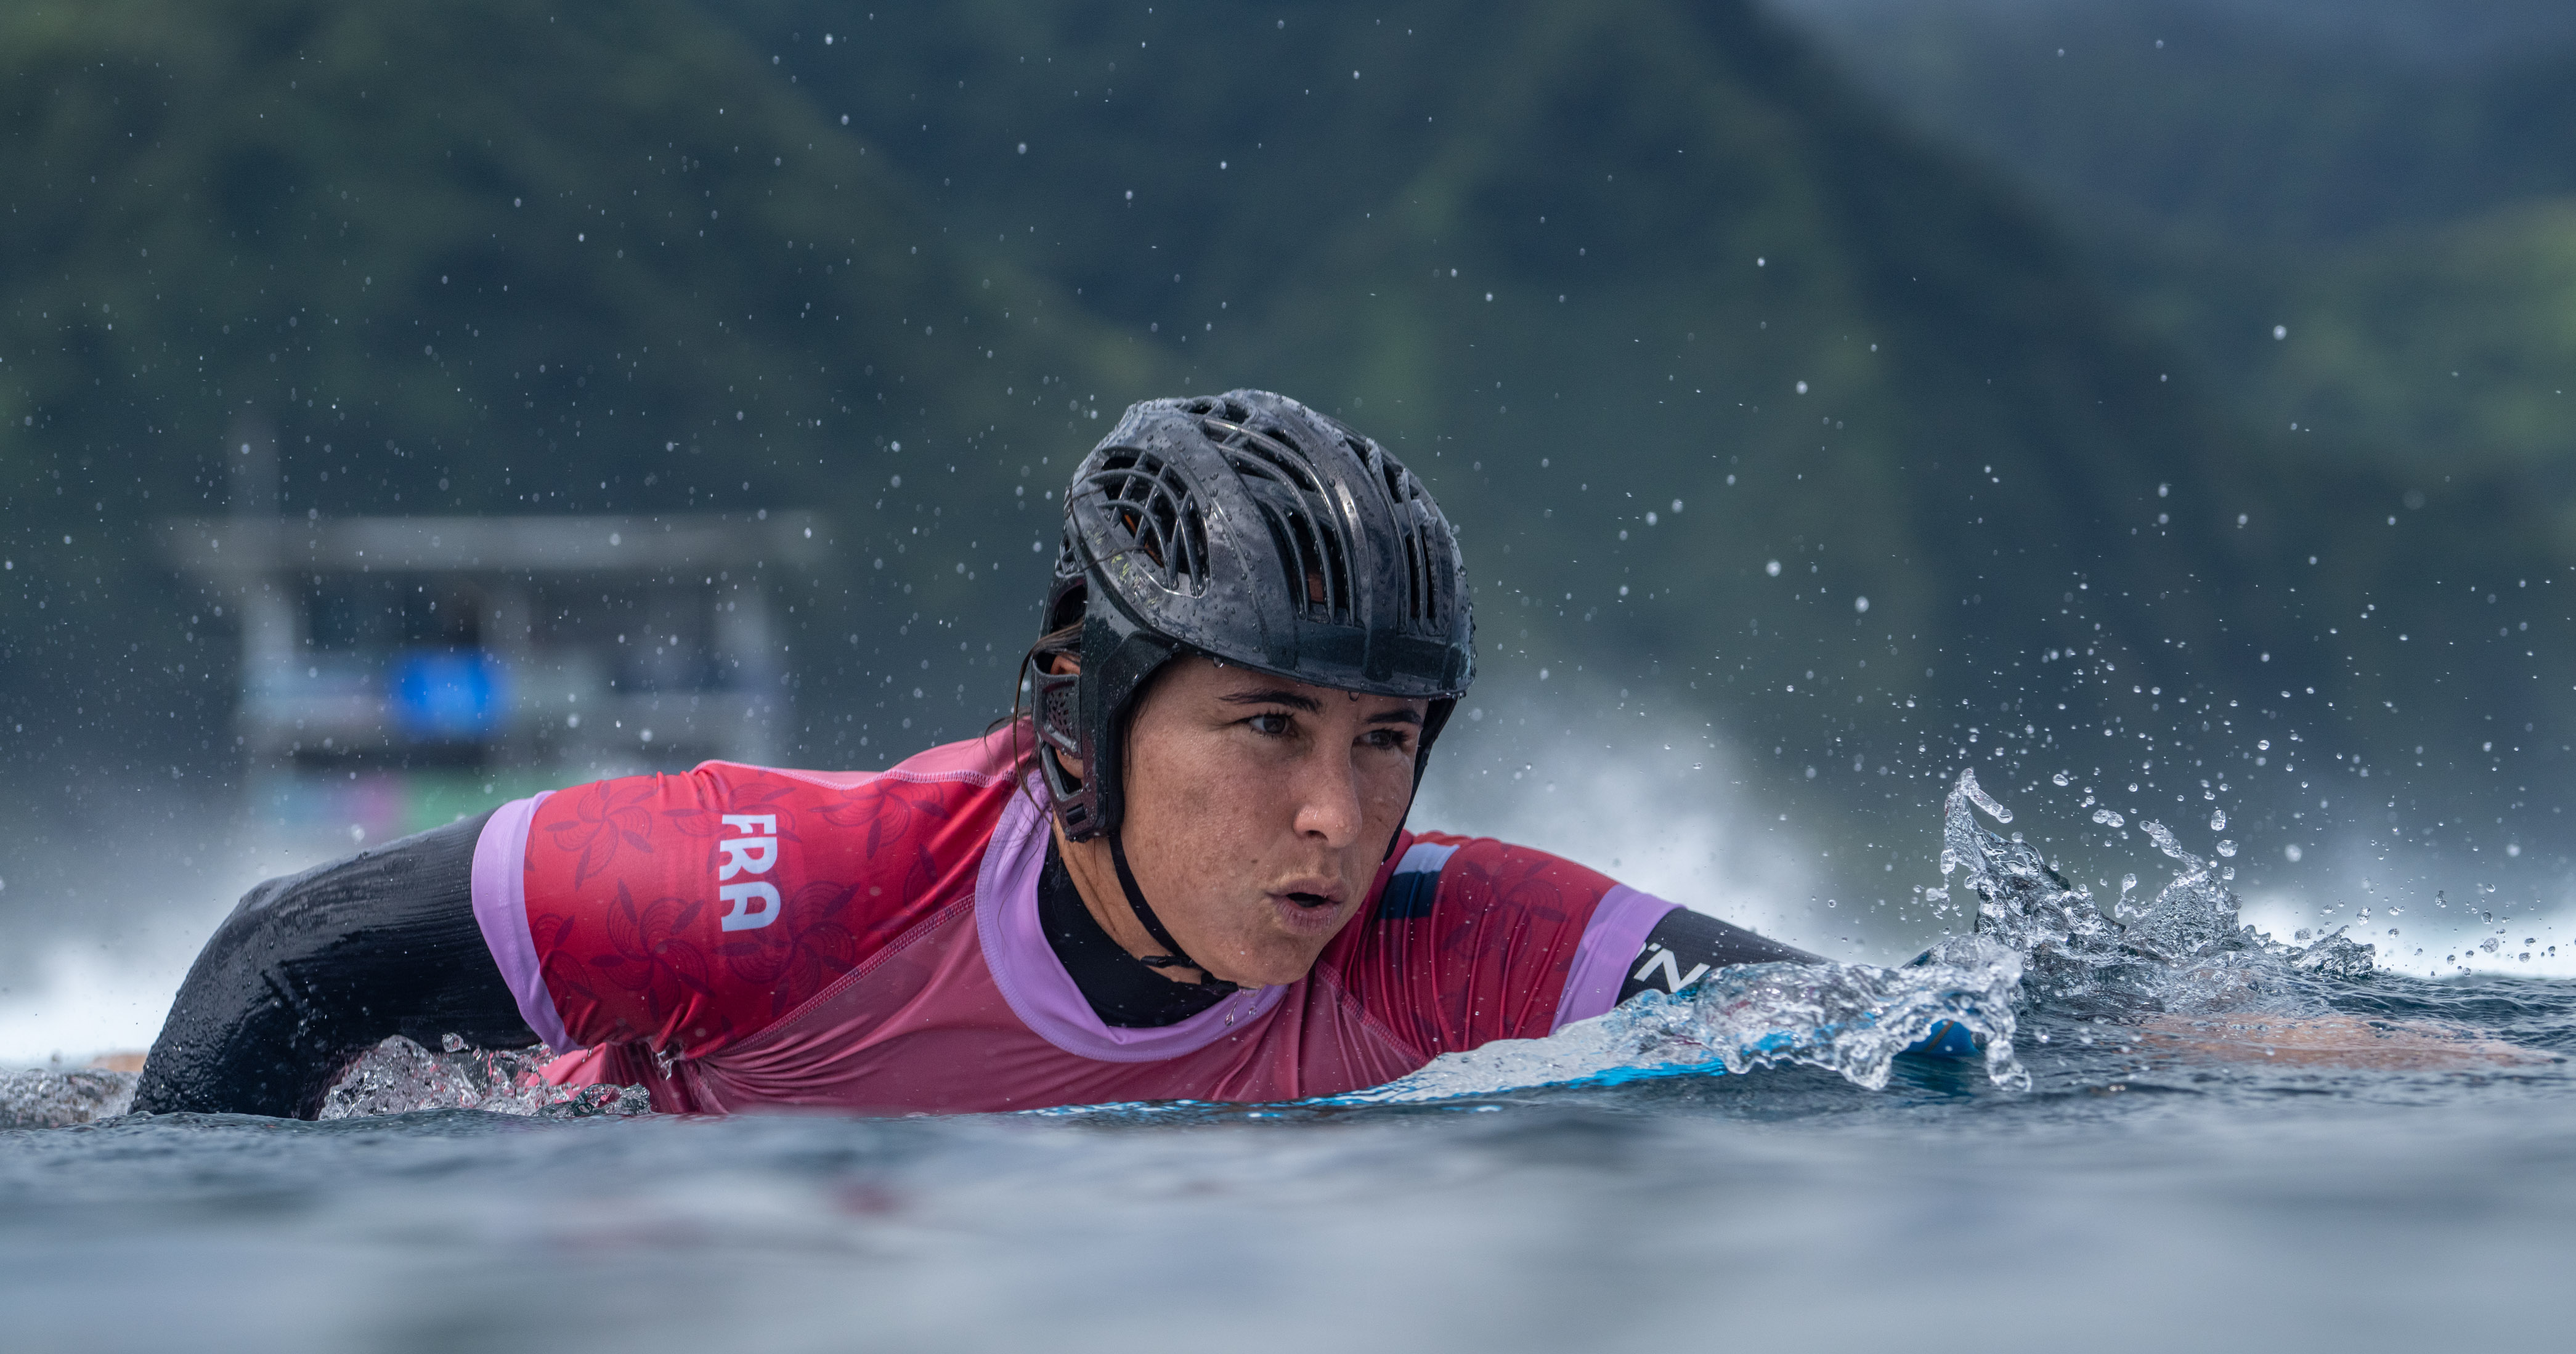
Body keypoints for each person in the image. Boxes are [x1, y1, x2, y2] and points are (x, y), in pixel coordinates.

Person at [133, 390, 1828, 1118]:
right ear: (1079, 715)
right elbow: (287, 956)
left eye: (1387, 742)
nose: (1338, 817)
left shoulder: (1443, 936)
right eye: (1265, 726)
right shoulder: (793, 888)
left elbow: (1889, 1031)